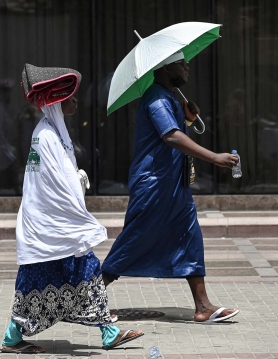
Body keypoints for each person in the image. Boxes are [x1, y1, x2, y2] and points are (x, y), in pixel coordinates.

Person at [0, 64, 144, 354]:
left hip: (53, 227)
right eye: (71, 98)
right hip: (52, 225)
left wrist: (75, 178)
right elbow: (49, 185)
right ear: (57, 101)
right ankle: (15, 336)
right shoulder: (46, 136)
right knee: (71, 272)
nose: (76, 102)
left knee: (75, 274)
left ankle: (107, 332)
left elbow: (57, 175)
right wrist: (76, 203)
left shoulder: (54, 132)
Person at [101, 51, 240, 323]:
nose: (187, 68)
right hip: (154, 184)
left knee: (190, 237)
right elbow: (171, 137)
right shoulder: (156, 98)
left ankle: (203, 306)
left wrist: (188, 120)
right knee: (135, 239)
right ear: (166, 68)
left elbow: (176, 131)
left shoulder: (170, 98)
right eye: (182, 64)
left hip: (174, 185)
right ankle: (86, 298)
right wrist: (214, 157)